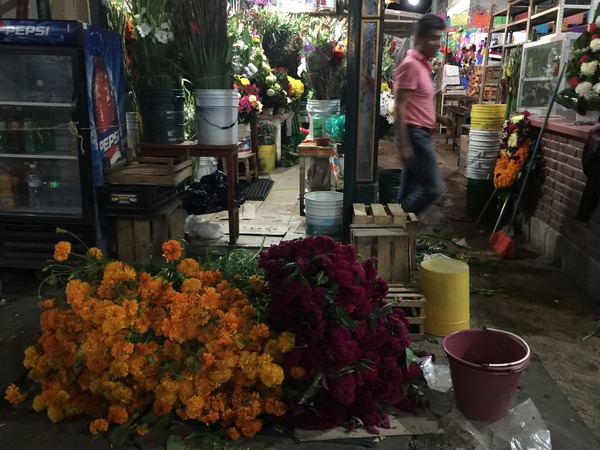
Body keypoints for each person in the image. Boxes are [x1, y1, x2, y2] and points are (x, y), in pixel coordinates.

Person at [393, 14, 452, 214]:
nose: (438, 44)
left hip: (421, 132)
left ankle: (398, 228)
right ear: (419, 38)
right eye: (433, 38)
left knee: (407, 192)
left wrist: (439, 118)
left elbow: (417, 102)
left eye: (439, 38)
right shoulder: (410, 65)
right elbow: (400, 106)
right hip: (415, 135)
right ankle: (398, 221)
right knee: (432, 189)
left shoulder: (422, 65)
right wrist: (404, 145)